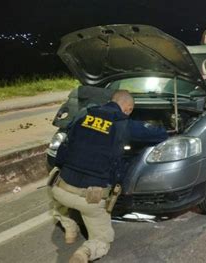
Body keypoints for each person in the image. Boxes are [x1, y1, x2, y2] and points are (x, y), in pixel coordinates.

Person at [50, 90, 168, 263]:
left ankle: (69, 228)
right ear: (127, 109)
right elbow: (159, 134)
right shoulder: (124, 124)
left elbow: (62, 152)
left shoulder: (83, 116)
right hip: (90, 199)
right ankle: (84, 253)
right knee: (102, 239)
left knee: (59, 200)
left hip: (61, 189)